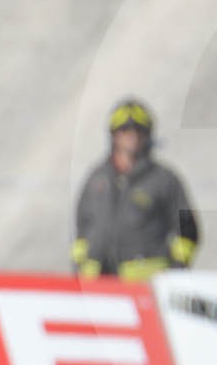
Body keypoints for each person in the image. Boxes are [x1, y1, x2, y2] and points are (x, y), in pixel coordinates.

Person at [70, 97, 200, 282]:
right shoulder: (96, 180)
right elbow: (81, 228)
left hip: (148, 286)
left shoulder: (164, 180)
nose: (131, 135)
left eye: (138, 130)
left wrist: (176, 270)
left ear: (147, 135)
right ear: (114, 135)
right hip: (100, 285)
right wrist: (81, 267)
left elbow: (188, 230)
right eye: (124, 130)